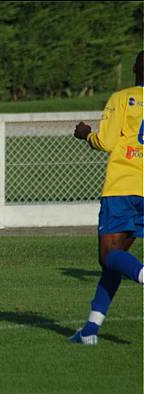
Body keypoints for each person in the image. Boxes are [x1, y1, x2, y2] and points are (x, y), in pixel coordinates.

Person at [70, 51, 144, 345]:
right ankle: (90, 330)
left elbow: (107, 142)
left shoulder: (122, 98)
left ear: (135, 68)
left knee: (107, 255)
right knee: (114, 261)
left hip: (123, 188)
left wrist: (86, 134)